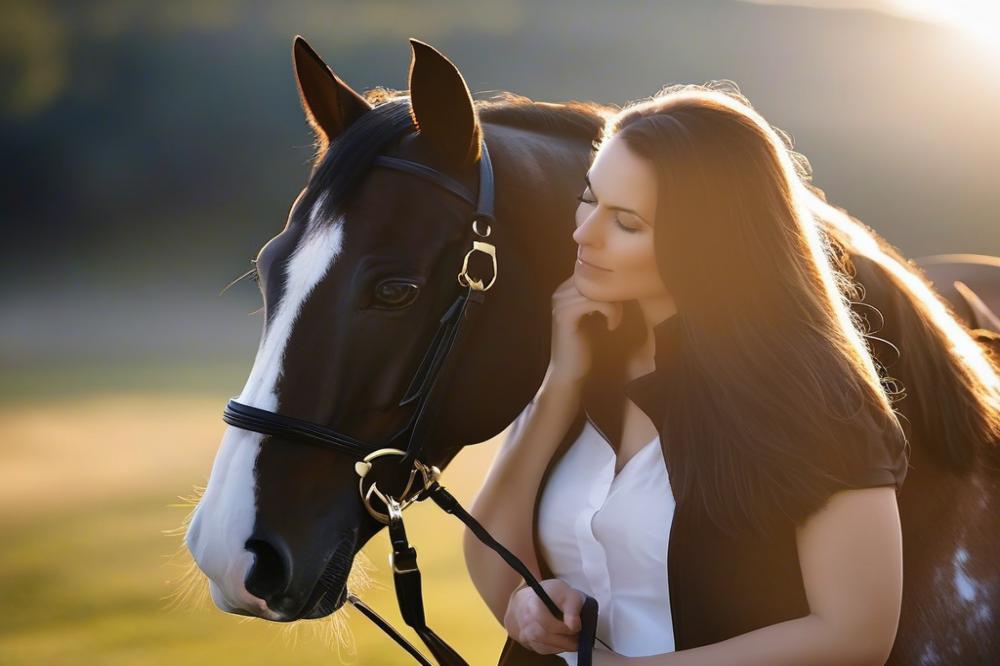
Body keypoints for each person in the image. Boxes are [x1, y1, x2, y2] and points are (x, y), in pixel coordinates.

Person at [464, 82, 910, 665]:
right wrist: (525, 604)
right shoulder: (580, 355)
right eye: (588, 197)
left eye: (626, 222)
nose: (582, 233)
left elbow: (854, 635)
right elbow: (492, 562)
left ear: (707, 242)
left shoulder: (818, 400)